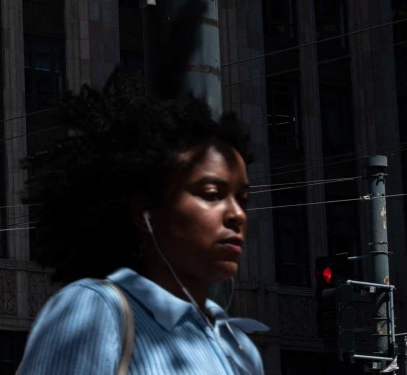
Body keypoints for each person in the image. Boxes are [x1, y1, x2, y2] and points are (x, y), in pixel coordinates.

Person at [17, 74, 266, 374]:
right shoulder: (97, 310)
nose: (237, 214)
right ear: (146, 213)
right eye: (212, 194)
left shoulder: (239, 348)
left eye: (243, 199)